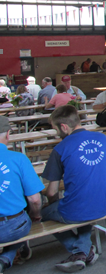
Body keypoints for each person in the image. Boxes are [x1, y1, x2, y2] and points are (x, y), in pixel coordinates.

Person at [42, 105, 106, 272]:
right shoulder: (102, 138)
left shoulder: (60, 149)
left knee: (44, 213)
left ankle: (80, 251)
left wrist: (53, 204)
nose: (56, 133)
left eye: (55, 129)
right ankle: (84, 249)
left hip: (80, 208)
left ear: (64, 127)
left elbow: (52, 192)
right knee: (83, 200)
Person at [0, 116, 44, 273]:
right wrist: (36, 215)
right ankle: (6, 258)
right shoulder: (18, 158)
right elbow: (35, 199)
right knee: (24, 223)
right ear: (8, 134)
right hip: (13, 224)